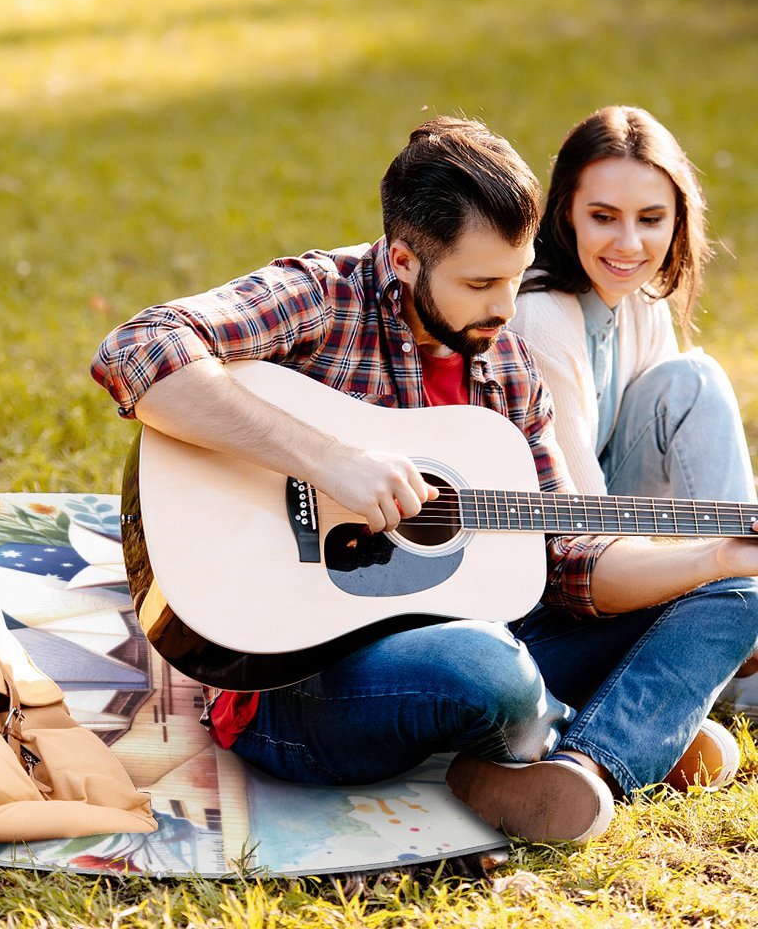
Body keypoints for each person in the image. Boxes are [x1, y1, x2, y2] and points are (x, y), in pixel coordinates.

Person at [91, 116, 758, 845]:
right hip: (296, 685)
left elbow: (567, 558)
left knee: (738, 594)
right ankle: (619, 724)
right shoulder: (322, 296)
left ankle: (588, 765)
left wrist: (714, 557)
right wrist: (327, 459)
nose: (506, 309)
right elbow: (138, 348)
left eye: (515, 275)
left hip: (483, 638)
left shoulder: (506, 365)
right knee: (487, 670)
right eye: (480, 283)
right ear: (404, 259)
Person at [511, 105, 758, 732]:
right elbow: (579, 533)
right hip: (554, 570)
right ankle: (733, 638)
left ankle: (740, 632)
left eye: (651, 219)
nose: (629, 244)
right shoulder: (542, 316)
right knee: (694, 379)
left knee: (690, 379)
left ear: (677, 220)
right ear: (564, 210)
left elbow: (678, 455)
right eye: (603, 217)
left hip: (615, 530)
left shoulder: (639, 299)